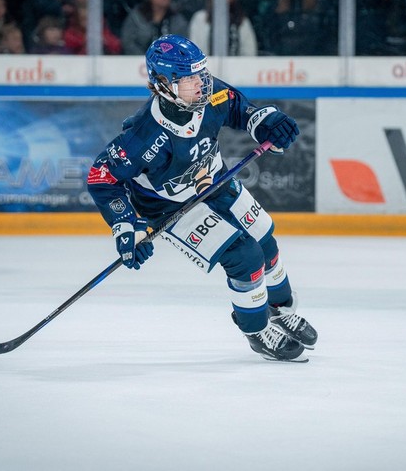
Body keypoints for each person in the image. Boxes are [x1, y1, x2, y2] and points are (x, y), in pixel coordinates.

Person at [86, 34, 317, 362]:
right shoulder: (143, 135)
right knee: (246, 256)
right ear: (163, 84)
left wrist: (266, 122)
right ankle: (256, 328)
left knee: (265, 240)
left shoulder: (209, 92)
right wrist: (125, 224)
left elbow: (239, 109)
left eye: (201, 74)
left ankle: (279, 310)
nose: (201, 84)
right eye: (189, 79)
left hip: (215, 180)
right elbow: (102, 177)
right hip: (171, 206)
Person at [187, 0, 259, 56]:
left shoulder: (242, 21)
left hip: (237, 65)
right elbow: (194, 49)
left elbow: (250, 51)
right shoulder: (200, 18)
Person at [121, 0, 188, 55]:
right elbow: (128, 42)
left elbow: (183, 46)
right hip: (137, 62)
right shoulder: (136, 16)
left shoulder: (177, 20)